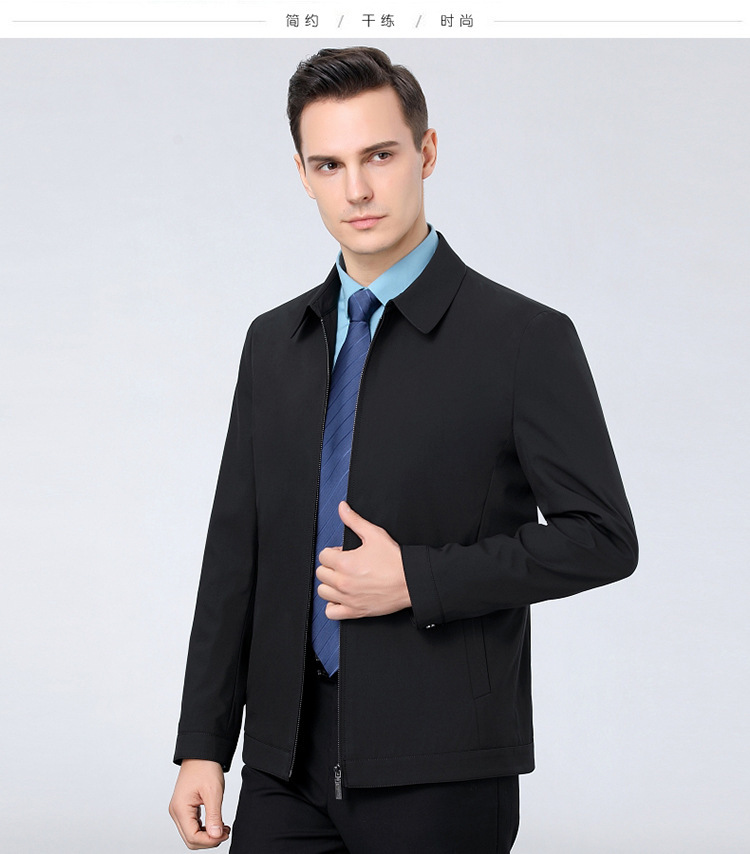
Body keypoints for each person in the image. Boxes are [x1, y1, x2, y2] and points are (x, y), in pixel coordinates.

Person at [169, 46, 638, 853]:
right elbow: (234, 555)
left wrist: (420, 579)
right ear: (303, 174)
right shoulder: (274, 343)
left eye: (380, 155)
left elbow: (603, 538)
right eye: (330, 164)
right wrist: (203, 743)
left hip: (441, 770)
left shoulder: (523, 340)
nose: (356, 189)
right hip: (283, 767)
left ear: (426, 151)